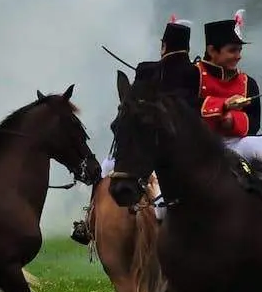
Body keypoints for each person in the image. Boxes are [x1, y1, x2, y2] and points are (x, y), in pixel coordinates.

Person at [70, 15, 197, 245]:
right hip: (175, 139)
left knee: (108, 167)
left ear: (164, 46)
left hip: (149, 140)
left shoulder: (147, 70)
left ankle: (89, 222)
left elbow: (131, 108)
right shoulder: (195, 72)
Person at [194, 10, 262, 185]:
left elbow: (254, 124)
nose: (238, 56)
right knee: (162, 209)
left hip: (234, 144)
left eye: (240, 50)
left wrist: (231, 121)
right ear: (212, 50)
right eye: (232, 50)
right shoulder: (192, 74)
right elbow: (183, 106)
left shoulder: (249, 83)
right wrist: (223, 106)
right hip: (196, 146)